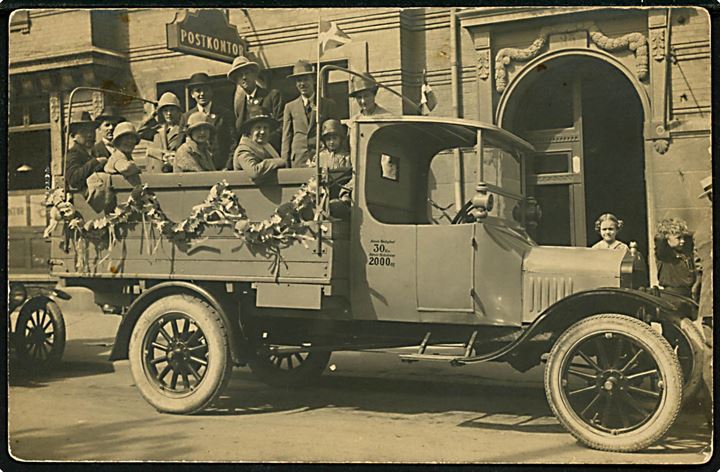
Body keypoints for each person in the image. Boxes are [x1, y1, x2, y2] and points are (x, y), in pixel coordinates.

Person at [281, 60, 338, 168]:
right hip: (298, 160)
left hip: (321, 157)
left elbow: (335, 134)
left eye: (306, 79)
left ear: (314, 80)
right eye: (299, 80)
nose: (302, 84)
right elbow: (286, 137)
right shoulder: (290, 107)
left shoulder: (327, 104)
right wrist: (285, 162)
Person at [228, 55, 283, 159]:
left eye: (247, 73)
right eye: (240, 76)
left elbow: (281, 126)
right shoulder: (239, 105)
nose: (244, 77)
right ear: (237, 81)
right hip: (247, 158)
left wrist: (262, 143)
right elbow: (238, 134)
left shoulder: (271, 96)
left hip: (269, 155)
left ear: (254, 75)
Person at [181, 72, 236, 171]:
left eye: (205, 90)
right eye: (198, 91)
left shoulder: (225, 114)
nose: (202, 94)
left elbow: (233, 142)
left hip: (222, 169)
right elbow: (181, 145)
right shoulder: (186, 117)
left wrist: (228, 167)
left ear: (212, 91)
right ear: (192, 94)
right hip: (197, 171)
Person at [233, 104, 286, 182]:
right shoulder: (243, 149)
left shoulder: (267, 146)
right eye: (258, 127)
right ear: (249, 131)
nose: (262, 131)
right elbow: (254, 172)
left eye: (266, 128)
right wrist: (278, 161)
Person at [138, 92, 185, 173]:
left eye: (172, 110)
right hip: (157, 173)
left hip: (175, 173)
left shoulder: (183, 131)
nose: (169, 113)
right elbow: (139, 132)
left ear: (178, 111)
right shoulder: (158, 130)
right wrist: (153, 114)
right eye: (165, 110)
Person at [654, 217, 696, 299]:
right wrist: (667, 231)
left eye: (683, 238)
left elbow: (692, 235)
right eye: (678, 238)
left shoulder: (684, 253)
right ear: (666, 238)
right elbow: (660, 239)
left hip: (687, 295)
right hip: (671, 296)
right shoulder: (663, 253)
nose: (682, 241)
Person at [65, 111, 105, 192]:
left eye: (92, 131)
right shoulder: (72, 154)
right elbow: (73, 179)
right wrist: (95, 162)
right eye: (84, 131)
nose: (90, 135)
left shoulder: (95, 151)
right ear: (73, 136)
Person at [104, 121, 142, 186]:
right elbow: (125, 168)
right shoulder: (117, 157)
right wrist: (137, 169)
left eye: (132, 139)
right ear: (118, 141)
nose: (130, 141)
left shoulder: (127, 157)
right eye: (126, 139)